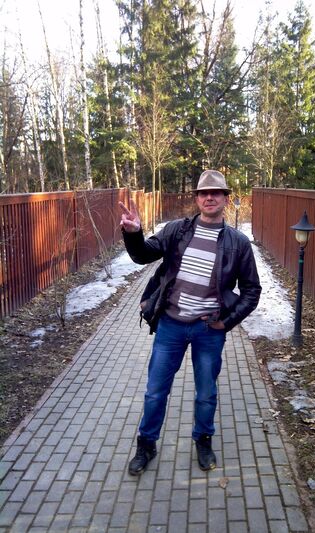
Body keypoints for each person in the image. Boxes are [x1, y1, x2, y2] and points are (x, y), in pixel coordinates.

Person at [119, 170, 261, 475]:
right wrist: (133, 233)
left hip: (208, 330)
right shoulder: (177, 230)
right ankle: (146, 445)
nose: (209, 197)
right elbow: (143, 255)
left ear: (225, 199)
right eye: (203, 193)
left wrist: (226, 322)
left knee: (206, 393)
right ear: (196, 198)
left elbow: (252, 291)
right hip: (170, 325)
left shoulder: (238, 243)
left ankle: (203, 440)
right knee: (155, 391)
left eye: (216, 193)